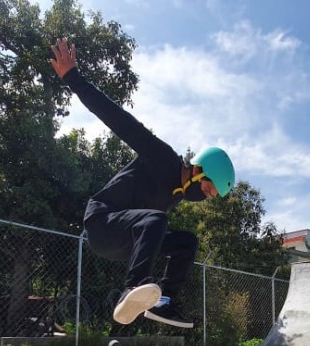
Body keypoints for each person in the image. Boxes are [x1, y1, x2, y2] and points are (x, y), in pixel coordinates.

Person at [50, 38, 235, 329]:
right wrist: (73, 78)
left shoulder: (177, 194)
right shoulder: (163, 157)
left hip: (125, 239)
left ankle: (164, 304)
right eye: (208, 189)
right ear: (200, 171)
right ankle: (131, 288)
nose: (205, 197)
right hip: (101, 222)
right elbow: (119, 120)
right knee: (156, 220)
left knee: (186, 242)